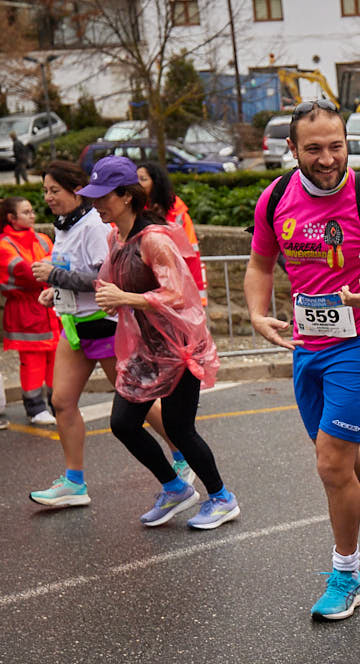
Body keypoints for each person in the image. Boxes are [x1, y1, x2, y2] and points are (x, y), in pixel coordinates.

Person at [244, 99, 360, 619]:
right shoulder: (275, 197)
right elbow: (258, 263)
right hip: (306, 344)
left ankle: (347, 575)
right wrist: (257, 313)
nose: (327, 158)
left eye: (336, 146)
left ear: (348, 145)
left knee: (330, 461)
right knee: (337, 450)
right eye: (314, 148)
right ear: (292, 148)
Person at [80, 156, 237, 529]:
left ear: (126, 196)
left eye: (103, 196)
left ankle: (221, 497)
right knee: (122, 423)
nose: (97, 204)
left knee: (180, 428)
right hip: (147, 349)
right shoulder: (114, 237)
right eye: (93, 196)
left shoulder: (154, 239)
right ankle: (174, 487)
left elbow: (178, 294)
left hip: (180, 347)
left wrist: (126, 299)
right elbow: (108, 283)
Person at [29, 160, 184, 507]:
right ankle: (74, 482)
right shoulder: (65, 227)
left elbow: (103, 280)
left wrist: (55, 276)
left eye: (54, 190)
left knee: (138, 402)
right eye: (45, 191)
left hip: (105, 324)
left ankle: (182, 456)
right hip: (74, 324)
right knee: (62, 402)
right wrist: (54, 292)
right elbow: (73, 275)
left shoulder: (95, 226)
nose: (48, 197)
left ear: (74, 190)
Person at [1, 196, 59, 425]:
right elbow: (27, 272)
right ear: (11, 218)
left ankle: (58, 405)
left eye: (32, 210)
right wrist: (52, 265)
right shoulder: (4, 244)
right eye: (26, 212)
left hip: (49, 308)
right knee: (32, 362)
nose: (32, 215)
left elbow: (61, 262)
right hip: (26, 311)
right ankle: (35, 409)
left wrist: (51, 266)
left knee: (57, 361)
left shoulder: (42, 239)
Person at [137, 161, 205, 303]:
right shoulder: (132, 208)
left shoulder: (177, 212)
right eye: (135, 179)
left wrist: (197, 296)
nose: (138, 184)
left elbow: (191, 253)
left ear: (156, 183)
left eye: (143, 179)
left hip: (174, 282)